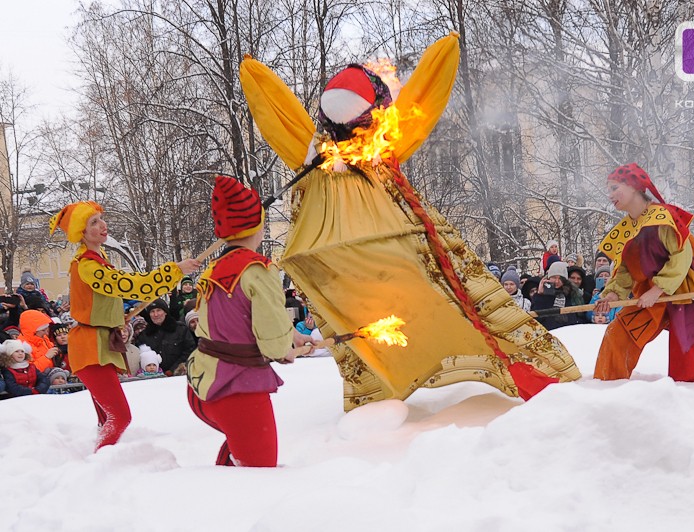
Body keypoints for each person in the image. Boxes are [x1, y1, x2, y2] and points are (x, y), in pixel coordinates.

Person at [240, 34, 580, 409]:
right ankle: (381, 396)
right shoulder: (327, 158)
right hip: (373, 257)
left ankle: (384, 396)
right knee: (424, 307)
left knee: (425, 309)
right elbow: (422, 99)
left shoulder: (338, 154)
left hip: (360, 260)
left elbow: (277, 110)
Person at [49, 200, 200, 451]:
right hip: (90, 348)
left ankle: (100, 460)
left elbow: (103, 300)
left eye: (100, 218)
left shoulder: (98, 258)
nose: (102, 225)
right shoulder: (89, 266)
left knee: (107, 418)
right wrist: (175, 271)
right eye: (93, 222)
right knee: (119, 417)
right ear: (82, 232)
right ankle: (100, 463)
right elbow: (132, 285)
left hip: (98, 343)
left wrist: (117, 317)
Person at [186, 175, 302, 467]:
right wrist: (283, 347)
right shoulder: (259, 269)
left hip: (202, 385)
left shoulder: (214, 267)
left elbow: (232, 319)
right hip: (238, 391)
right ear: (258, 226)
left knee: (241, 461)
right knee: (258, 475)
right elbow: (274, 343)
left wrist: (293, 336)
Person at [593, 163, 694, 382]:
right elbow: (626, 267)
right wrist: (612, 294)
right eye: (608, 190)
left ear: (634, 186)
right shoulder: (627, 228)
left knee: (685, 352)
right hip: (651, 292)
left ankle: (689, 403)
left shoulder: (664, 216)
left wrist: (658, 290)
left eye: (614, 188)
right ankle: (607, 386)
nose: (610, 195)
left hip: (687, 289)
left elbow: (681, 256)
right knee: (618, 334)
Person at [135, 298, 197, 375]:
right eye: (152, 311)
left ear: (165, 312)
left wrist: (173, 369)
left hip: (180, 375)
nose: (156, 314)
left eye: (158, 310)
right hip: (154, 378)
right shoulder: (144, 335)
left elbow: (189, 350)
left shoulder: (180, 329)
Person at [532, 261, 586, 329]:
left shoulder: (573, 293)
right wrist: (540, 295)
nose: (557, 281)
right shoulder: (542, 295)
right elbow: (536, 319)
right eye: (554, 277)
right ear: (548, 278)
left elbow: (581, 316)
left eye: (560, 278)